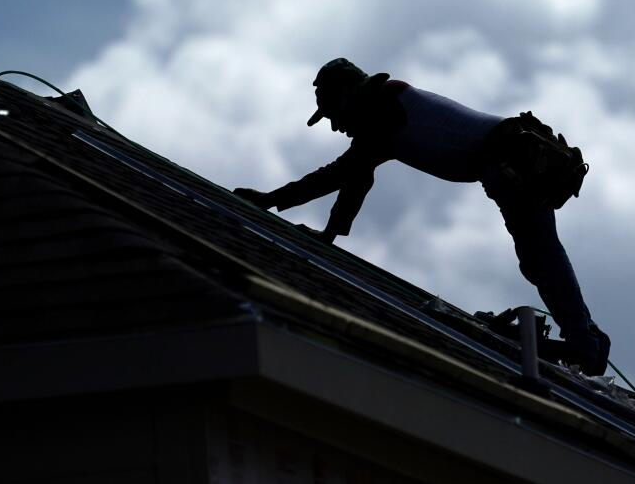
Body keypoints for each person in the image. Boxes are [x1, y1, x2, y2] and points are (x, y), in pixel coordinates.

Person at [234, 58, 611, 376]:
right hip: (511, 157)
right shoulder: (386, 106)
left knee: (540, 257)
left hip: (511, 160)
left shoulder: (382, 111)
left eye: (333, 113)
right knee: (539, 257)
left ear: (348, 96)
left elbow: (347, 175)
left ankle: (586, 344)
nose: (335, 125)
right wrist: (322, 230)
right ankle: (586, 338)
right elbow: (355, 178)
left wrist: (277, 203)